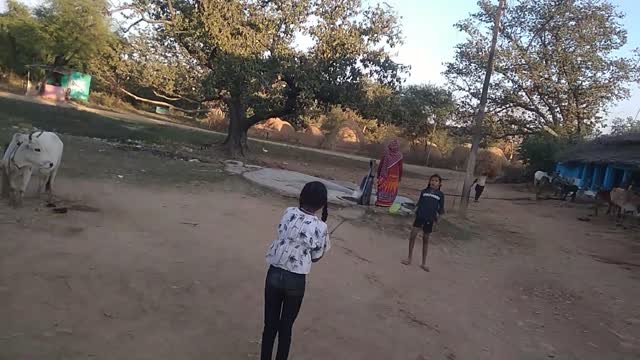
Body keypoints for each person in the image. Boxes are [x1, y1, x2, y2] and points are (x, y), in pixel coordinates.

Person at [261, 181, 331, 360]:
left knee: (270, 326)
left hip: (274, 273)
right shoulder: (321, 227)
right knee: (286, 328)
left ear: (302, 196)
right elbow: (316, 257)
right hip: (295, 280)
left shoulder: (288, 212)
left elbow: (281, 234)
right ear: (322, 203)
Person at [402, 174, 445, 272]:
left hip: (430, 219)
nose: (433, 182)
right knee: (412, 236)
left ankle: (423, 263)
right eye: (432, 180)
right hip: (419, 217)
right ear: (429, 182)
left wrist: (439, 219)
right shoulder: (424, 192)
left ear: (440, 183)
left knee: (425, 240)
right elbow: (418, 204)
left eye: (436, 181)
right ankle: (409, 258)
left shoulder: (440, 195)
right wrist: (413, 212)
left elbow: (441, 209)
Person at [375, 139, 404, 207]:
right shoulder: (399, 155)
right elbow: (400, 168)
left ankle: (380, 202)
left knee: (383, 188)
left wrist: (378, 174)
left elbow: (381, 165)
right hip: (394, 177)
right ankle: (388, 203)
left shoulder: (386, 153)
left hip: (384, 176)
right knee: (391, 189)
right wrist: (399, 177)